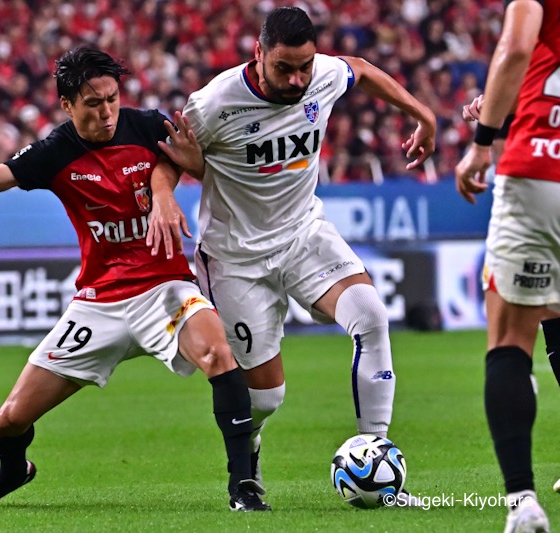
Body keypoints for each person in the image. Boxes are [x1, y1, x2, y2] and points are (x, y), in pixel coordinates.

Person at [0, 47, 270, 512]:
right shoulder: (55, 151)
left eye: (112, 98)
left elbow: (189, 159)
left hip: (164, 287)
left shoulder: (147, 126)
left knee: (217, 353)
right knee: (10, 420)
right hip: (99, 303)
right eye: (93, 103)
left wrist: (162, 187)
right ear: (67, 105)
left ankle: (244, 487)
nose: (107, 111)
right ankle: (12, 471)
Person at [145, 6, 435, 508]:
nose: (298, 78)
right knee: (265, 398)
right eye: (284, 68)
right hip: (236, 260)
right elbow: (168, 157)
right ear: (258, 54)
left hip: (303, 234)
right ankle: (249, 447)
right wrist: (166, 196)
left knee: (369, 316)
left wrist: (422, 115)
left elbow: (360, 69)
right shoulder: (214, 103)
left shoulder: (321, 74)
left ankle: (378, 462)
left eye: (304, 66)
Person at [455, 0, 560, 530]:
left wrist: (484, 139)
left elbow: (518, 46)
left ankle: (522, 502)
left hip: (541, 170)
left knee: (509, 340)